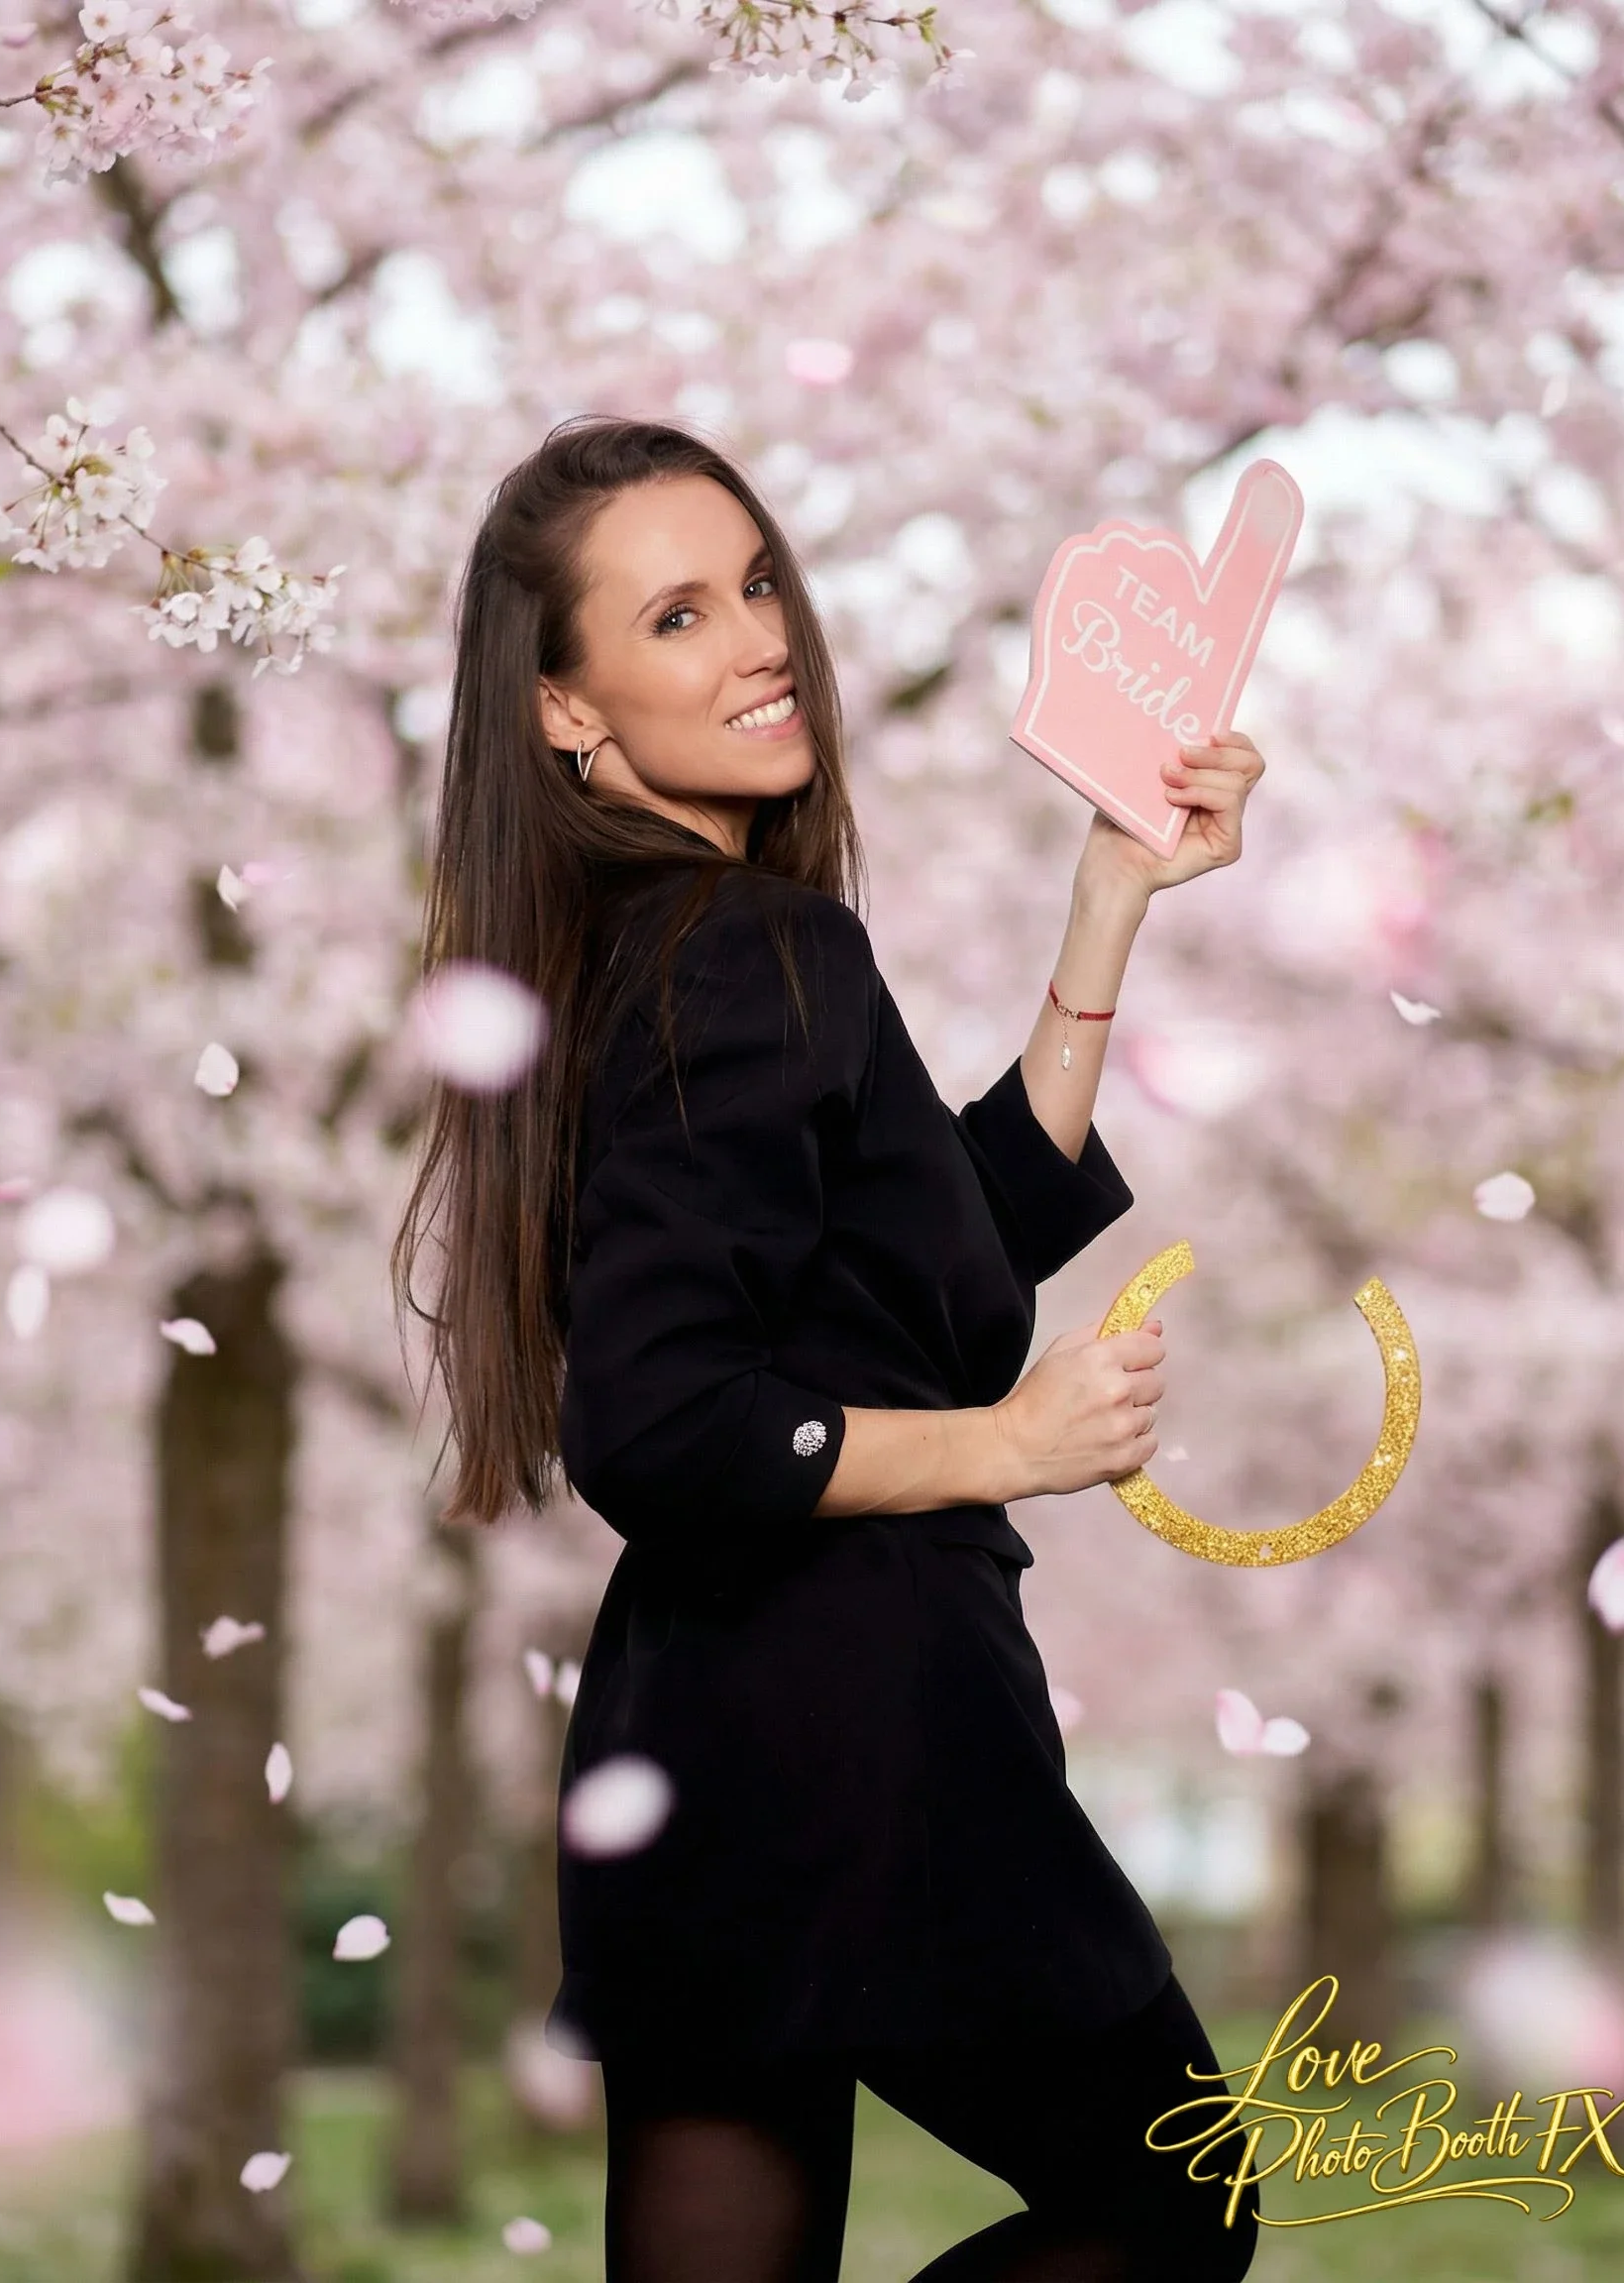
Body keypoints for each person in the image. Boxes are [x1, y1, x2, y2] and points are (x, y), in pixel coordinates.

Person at [392, 415, 1268, 2281]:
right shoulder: (746, 943)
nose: (760, 640)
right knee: (1177, 2200)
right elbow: (666, 1420)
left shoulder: (638, 945)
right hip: (863, 1721)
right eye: (681, 617)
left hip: (696, 1742)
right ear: (570, 709)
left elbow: (919, 1269)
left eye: (760, 583)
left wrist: (1109, 893)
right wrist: (1006, 1446)